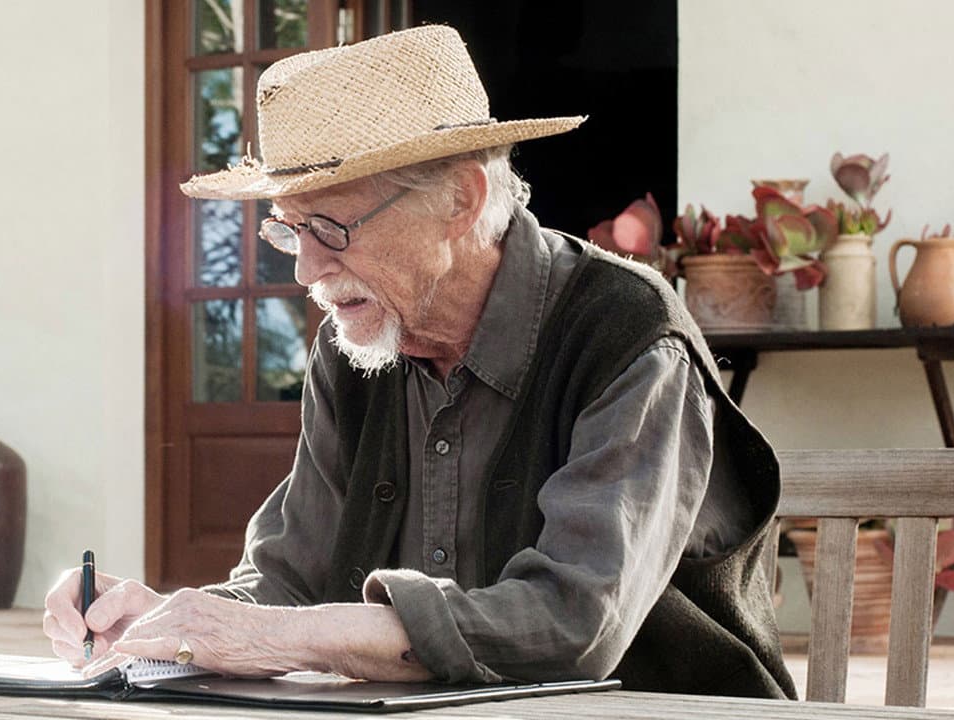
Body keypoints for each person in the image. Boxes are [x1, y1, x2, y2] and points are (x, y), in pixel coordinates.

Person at [43, 24, 796, 698]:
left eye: (330, 228)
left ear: (460, 201)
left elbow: (572, 624)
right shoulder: (354, 348)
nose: (304, 270)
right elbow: (286, 581)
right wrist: (165, 624)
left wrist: (282, 637)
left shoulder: (625, 335)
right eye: (289, 229)